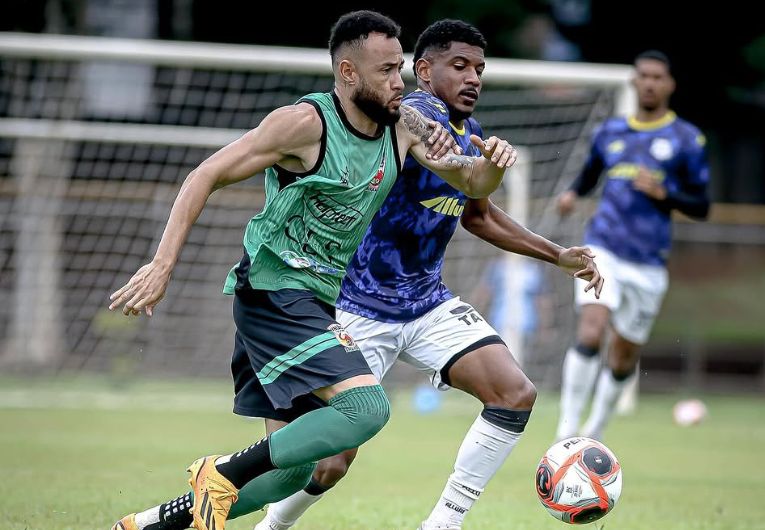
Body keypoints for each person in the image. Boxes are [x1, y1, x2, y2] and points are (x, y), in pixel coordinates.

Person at [108, 10, 519, 530]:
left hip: (315, 301)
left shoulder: (405, 126)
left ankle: (145, 525)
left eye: (400, 69)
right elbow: (205, 173)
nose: (400, 83)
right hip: (274, 293)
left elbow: (472, 184)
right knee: (369, 409)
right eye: (387, 71)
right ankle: (221, 472)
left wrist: (494, 166)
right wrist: (163, 262)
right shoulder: (304, 123)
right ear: (348, 74)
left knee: (287, 475)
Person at [254, 20, 604, 530]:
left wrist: (557, 255)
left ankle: (442, 525)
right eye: (459, 66)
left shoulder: (472, 132)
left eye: (480, 69)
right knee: (329, 464)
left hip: (425, 302)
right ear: (422, 70)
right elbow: (450, 158)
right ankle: (273, 525)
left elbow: (479, 215)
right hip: (356, 307)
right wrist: (482, 166)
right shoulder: (412, 116)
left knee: (514, 393)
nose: (473, 78)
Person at [554, 50, 710, 442]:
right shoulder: (610, 132)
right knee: (591, 331)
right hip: (603, 245)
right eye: (644, 76)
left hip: (648, 262)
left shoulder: (686, 139)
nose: (650, 83)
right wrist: (572, 193)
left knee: (623, 356)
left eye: (658, 77)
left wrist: (666, 192)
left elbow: (702, 205)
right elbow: (590, 173)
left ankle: (595, 432)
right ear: (635, 81)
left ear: (670, 84)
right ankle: (567, 430)